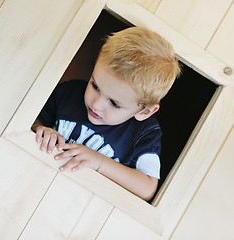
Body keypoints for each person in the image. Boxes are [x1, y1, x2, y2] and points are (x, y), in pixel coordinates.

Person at [31, 27, 181, 201]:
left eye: (114, 103)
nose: (96, 104)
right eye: (95, 86)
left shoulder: (144, 132)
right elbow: (31, 116)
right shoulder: (70, 92)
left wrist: (99, 162)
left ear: (145, 111)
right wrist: (40, 128)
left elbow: (147, 188)